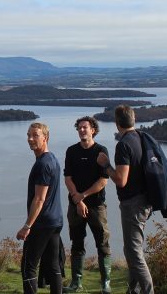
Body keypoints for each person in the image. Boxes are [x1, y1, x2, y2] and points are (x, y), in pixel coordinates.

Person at [97, 105, 154, 294]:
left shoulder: (124, 144)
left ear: (116, 123)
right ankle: (133, 290)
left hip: (133, 204)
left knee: (134, 252)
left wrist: (106, 166)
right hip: (145, 200)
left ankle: (147, 291)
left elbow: (121, 180)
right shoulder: (140, 137)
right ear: (133, 118)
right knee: (131, 250)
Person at [63, 116, 112, 293]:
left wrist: (82, 196)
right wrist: (77, 199)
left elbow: (104, 180)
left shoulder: (101, 150)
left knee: (103, 243)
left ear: (93, 130)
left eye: (85, 127)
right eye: (79, 128)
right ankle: (76, 283)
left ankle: (105, 283)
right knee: (77, 242)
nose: (82, 130)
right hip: (75, 205)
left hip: (96, 206)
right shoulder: (71, 151)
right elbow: (67, 178)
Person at [17, 122, 63, 294]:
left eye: (35, 135)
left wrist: (27, 226)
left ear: (46, 137)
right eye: (29, 135)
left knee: (29, 266)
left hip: (42, 223)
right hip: (55, 221)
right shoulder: (52, 160)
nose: (30, 139)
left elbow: (39, 199)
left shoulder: (43, 164)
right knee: (52, 266)